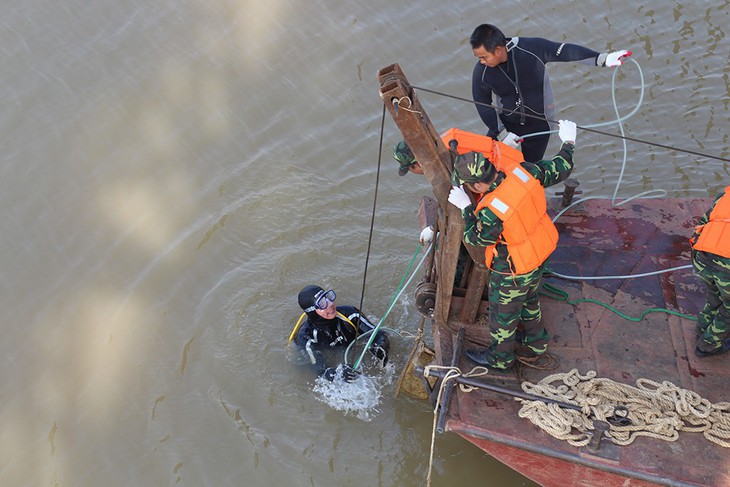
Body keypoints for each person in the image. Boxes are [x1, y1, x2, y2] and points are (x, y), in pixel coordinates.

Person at [447, 120, 578, 371]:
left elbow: (477, 238)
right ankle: (537, 343)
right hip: (539, 254)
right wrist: (568, 142)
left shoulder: (492, 210)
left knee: (503, 316)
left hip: (513, 268)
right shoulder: (523, 171)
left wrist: (466, 208)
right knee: (529, 299)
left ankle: (500, 359)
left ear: (476, 186)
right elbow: (561, 168)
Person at [469, 23, 630, 162]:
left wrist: (602, 59)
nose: (481, 61)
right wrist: (502, 133)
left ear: (498, 50)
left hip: (539, 124)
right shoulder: (481, 72)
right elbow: (482, 104)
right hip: (506, 124)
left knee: (530, 170)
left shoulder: (531, 48)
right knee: (484, 163)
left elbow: (565, 51)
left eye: (483, 57)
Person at [291, 285, 389, 382]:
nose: (330, 304)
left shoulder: (351, 314)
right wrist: (338, 373)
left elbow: (378, 334)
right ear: (312, 311)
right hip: (322, 350)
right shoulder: (307, 338)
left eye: (328, 297)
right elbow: (319, 370)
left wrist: (379, 346)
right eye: (322, 303)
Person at [690, 186, 730, 358]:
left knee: (714, 297)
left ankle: (701, 330)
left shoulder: (725, 195)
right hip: (726, 268)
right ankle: (708, 345)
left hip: (702, 260)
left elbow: (702, 225)